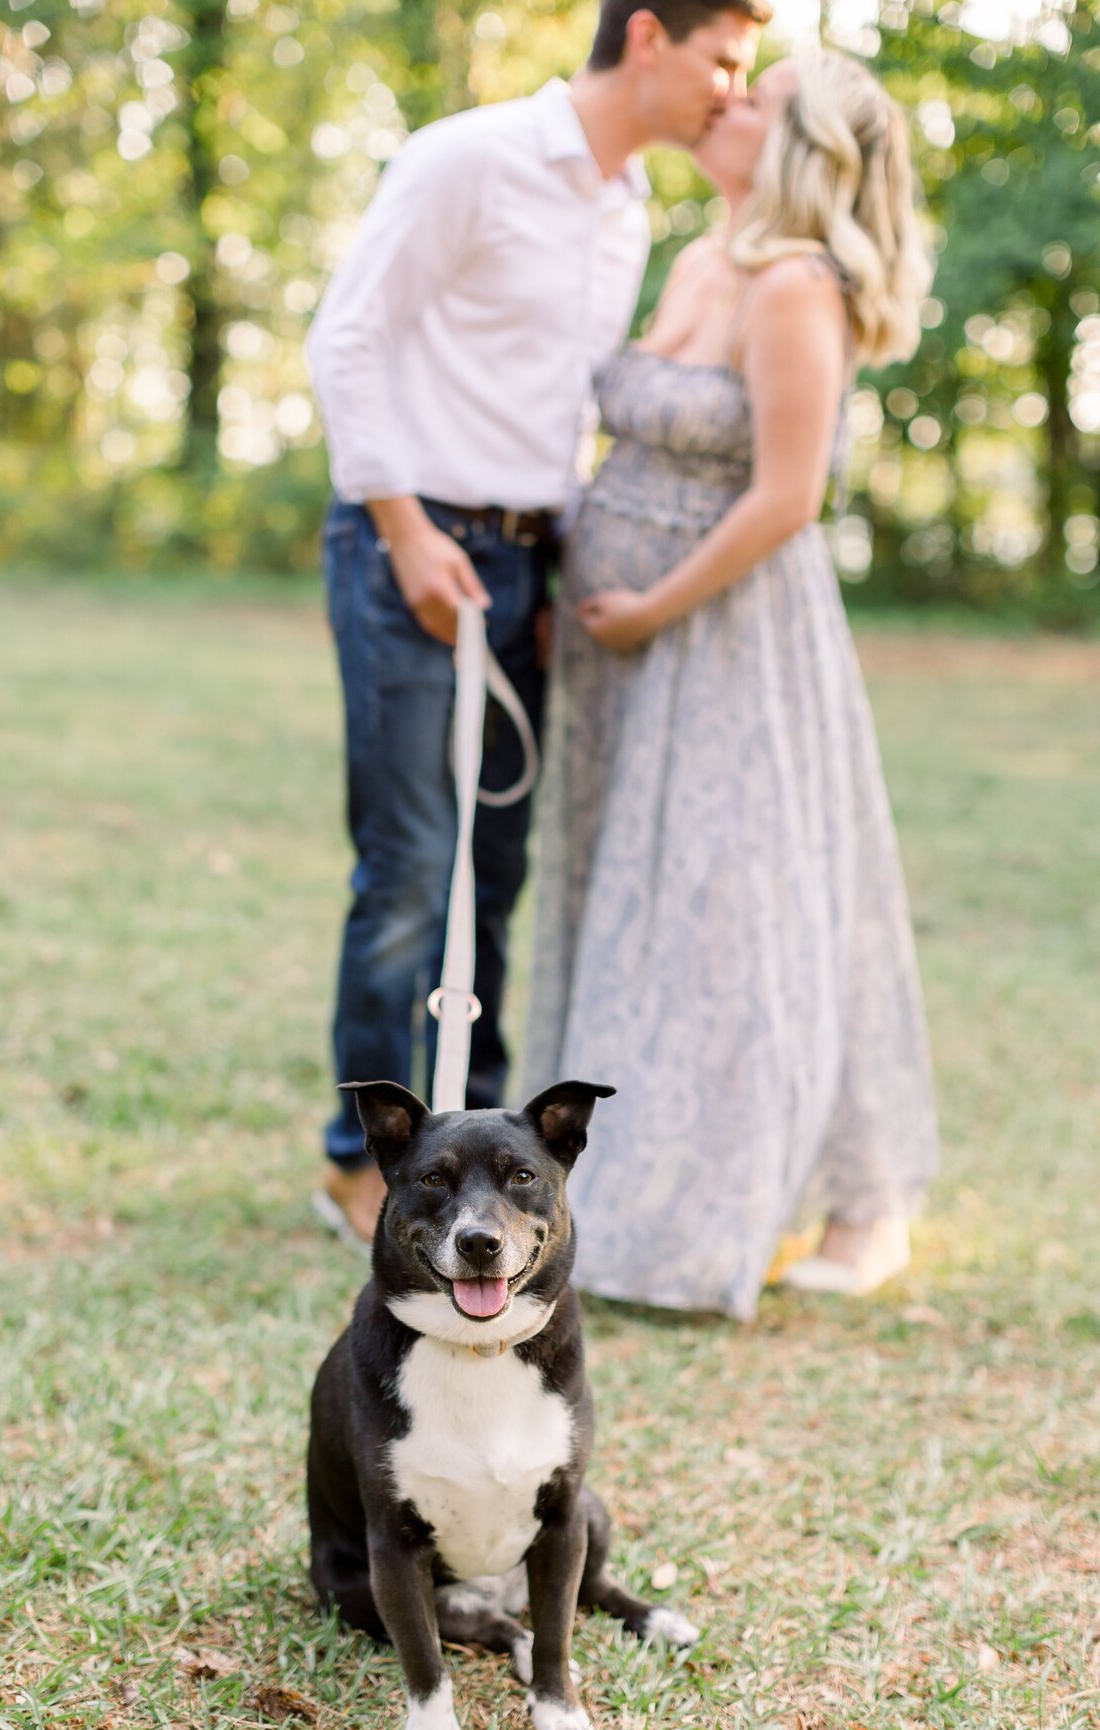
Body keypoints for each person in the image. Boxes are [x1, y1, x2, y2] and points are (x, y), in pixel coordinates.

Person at [306, 0, 768, 1244]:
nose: (737, 86)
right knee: (408, 869)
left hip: (523, 572)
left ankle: (470, 1162)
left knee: (493, 877)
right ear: (651, 36)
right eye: (726, 57)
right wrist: (405, 530)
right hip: (409, 544)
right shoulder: (468, 158)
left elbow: (559, 414)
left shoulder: (624, 211)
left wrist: (551, 571)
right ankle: (362, 1155)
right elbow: (344, 339)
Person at [522, 50, 939, 1319]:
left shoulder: (796, 285)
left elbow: (786, 497)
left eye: (757, 97)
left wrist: (649, 601)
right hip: (619, 641)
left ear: (800, 145)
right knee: (633, 900)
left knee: (730, 906)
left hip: (724, 632)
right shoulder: (701, 257)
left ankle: (812, 1202)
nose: (727, 100)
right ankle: (620, 1168)